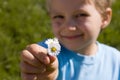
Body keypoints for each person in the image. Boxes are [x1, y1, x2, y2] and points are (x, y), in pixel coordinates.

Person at [20, 0, 120, 80]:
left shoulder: (116, 61)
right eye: (59, 16)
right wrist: (44, 70)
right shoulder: (47, 54)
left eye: (81, 15)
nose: (68, 27)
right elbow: (47, 71)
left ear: (104, 17)